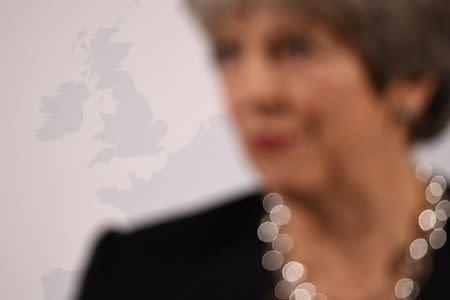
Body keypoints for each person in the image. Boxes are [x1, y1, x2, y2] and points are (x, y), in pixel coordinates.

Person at [74, 0, 450, 299]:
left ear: (411, 79)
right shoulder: (139, 276)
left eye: (297, 49)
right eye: (228, 53)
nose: (254, 93)